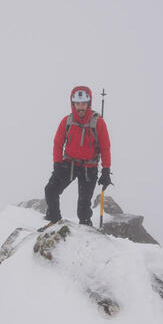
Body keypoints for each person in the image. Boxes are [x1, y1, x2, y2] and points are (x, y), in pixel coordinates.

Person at [43, 86, 112, 227]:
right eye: (77, 104)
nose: (80, 107)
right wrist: (57, 164)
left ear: (88, 103)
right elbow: (57, 143)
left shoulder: (98, 123)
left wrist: (106, 171)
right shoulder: (66, 121)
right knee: (50, 190)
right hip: (69, 164)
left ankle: (86, 228)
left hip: (89, 167)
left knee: (83, 209)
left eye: (83, 104)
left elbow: (105, 148)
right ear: (72, 104)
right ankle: (54, 219)